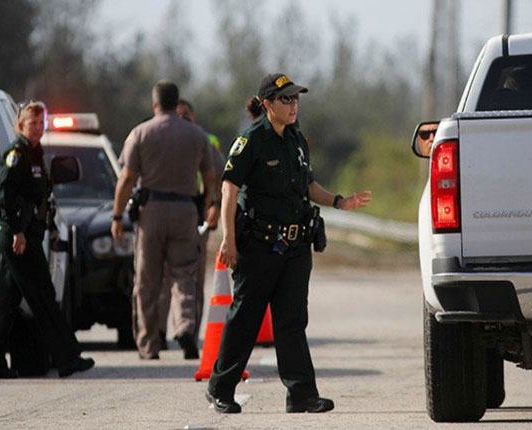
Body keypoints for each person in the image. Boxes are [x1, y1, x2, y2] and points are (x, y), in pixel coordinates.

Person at [206, 73, 371, 414]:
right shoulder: (251, 140)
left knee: (292, 321)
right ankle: (221, 388)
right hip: (258, 247)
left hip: (295, 247)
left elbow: (308, 185)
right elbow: (229, 191)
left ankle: (301, 394)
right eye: (286, 99)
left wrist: (341, 201)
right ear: (267, 104)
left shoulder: (297, 139)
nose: (293, 105)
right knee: (245, 319)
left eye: (296, 99)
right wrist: (229, 240)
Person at [0, 100, 94, 378]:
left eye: (40, 123)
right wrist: (17, 231)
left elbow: (40, 197)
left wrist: (49, 227)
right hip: (17, 236)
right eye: (32, 123)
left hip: (29, 233)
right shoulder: (16, 154)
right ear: (20, 125)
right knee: (43, 296)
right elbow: (4, 196)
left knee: (6, 302)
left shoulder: (35, 153)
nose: (37, 128)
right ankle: (67, 358)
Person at [111, 80, 216, 360]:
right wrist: (206, 204)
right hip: (185, 211)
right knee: (184, 274)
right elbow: (209, 176)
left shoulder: (141, 133)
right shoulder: (197, 135)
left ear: (154, 103)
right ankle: (185, 327)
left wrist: (117, 215)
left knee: (148, 280)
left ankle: (149, 343)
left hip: (152, 211)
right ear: (176, 101)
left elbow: (127, 178)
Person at [157, 99, 225, 353]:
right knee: (162, 280)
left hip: (197, 214)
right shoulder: (159, 138)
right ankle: (158, 335)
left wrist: (215, 205)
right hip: (166, 215)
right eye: (178, 114)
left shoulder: (205, 140)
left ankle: (188, 335)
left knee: (192, 278)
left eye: (186, 114)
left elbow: (222, 175)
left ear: (194, 116)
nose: (182, 119)